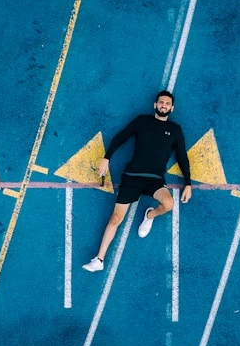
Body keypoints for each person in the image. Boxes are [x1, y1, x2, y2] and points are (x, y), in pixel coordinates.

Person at [82, 90, 192, 272]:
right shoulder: (142, 121)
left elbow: (182, 156)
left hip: (155, 180)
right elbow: (121, 137)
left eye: (167, 103)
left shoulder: (175, 130)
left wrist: (188, 183)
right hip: (132, 177)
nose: (164, 105)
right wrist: (106, 158)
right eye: (161, 102)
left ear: (172, 108)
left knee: (169, 203)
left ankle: (149, 215)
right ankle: (99, 260)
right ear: (155, 105)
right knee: (116, 218)